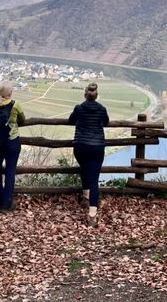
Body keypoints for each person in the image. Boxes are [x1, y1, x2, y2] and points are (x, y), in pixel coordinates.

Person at [68, 82, 109, 227]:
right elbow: (106, 122)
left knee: (84, 169)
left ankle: (86, 196)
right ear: (97, 96)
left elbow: (70, 120)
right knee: (94, 179)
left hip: (80, 146)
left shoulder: (79, 108)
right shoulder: (101, 109)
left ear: (85, 95)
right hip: (97, 147)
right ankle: (92, 213)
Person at [0, 81, 26, 212]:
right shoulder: (15, 105)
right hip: (11, 141)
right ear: (10, 93)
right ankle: (6, 203)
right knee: (10, 171)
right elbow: (23, 120)